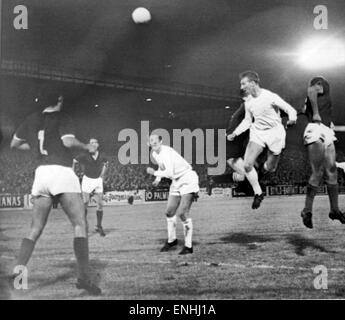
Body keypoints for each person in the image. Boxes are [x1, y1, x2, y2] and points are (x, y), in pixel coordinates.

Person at [10, 94, 101, 295]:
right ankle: (84, 278)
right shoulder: (63, 116)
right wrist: (87, 146)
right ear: (60, 99)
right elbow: (68, 141)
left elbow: (14, 145)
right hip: (62, 171)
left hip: (41, 174)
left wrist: (35, 149)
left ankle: (18, 279)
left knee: (34, 229)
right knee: (80, 224)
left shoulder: (32, 118)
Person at [228, 71, 297, 209]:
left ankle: (261, 172)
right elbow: (248, 121)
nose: (241, 87)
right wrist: (235, 133)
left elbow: (290, 109)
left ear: (253, 83)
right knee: (247, 164)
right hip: (257, 133)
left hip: (275, 133)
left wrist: (292, 118)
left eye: (244, 83)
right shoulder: (249, 103)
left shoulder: (269, 96)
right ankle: (258, 193)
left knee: (271, 168)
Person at [300, 77, 345, 228]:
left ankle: (334, 210)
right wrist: (316, 113)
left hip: (325, 130)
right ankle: (307, 210)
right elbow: (311, 89)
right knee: (317, 171)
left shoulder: (321, 103)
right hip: (315, 128)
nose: (320, 87)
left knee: (332, 170)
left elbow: (330, 125)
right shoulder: (317, 88)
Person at [146, 134, 199, 255]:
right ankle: (172, 240)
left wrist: (154, 172)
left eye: (155, 140)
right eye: (151, 141)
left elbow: (169, 172)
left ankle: (188, 246)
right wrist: (158, 179)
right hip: (176, 181)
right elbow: (162, 166)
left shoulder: (166, 152)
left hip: (187, 178)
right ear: (148, 143)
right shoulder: (155, 154)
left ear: (161, 141)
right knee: (169, 212)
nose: (153, 142)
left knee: (182, 213)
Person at [73, 138, 108, 236]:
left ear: (98, 145)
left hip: (98, 180)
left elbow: (106, 164)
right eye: (90, 143)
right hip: (87, 180)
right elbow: (74, 161)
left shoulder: (102, 155)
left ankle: (99, 226)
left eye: (94, 142)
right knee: (85, 203)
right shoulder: (84, 155)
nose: (92, 144)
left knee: (100, 204)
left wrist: (102, 175)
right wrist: (73, 173)